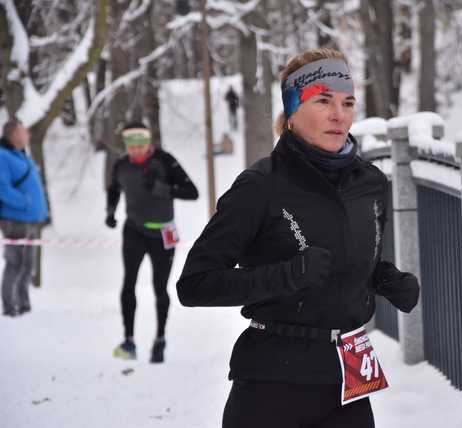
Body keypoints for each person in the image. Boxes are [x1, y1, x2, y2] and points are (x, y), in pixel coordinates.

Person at [177, 48, 420, 427]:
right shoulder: (260, 186)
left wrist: (383, 277)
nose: (339, 114)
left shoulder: (370, 183)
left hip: (347, 378)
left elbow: (345, 263)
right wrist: (287, 275)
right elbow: (195, 285)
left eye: (348, 102)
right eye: (323, 100)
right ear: (292, 110)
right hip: (272, 383)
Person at [106, 122, 198, 363]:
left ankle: (159, 340)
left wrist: (160, 188)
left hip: (163, 233)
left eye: (140, 145)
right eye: (131, 146)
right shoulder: (121, 165)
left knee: (160, 288)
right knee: (128, 283)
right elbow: (114, 189)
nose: (135, 151)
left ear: (149, 143)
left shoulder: (165, 160)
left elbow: (192, 192)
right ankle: (129, 341)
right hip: (134, 230)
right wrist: (110, 211)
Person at [0, 119, 48, 317]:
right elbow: (2, 188)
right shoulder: (3, 156)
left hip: (31, 220)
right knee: (15, 264)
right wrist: (25, 202)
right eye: (24, 131)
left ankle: (24, 305)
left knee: (28, 265)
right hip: (15, 220)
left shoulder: (22, 156)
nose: (28, 134)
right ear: (14, 135)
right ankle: (10, 308)